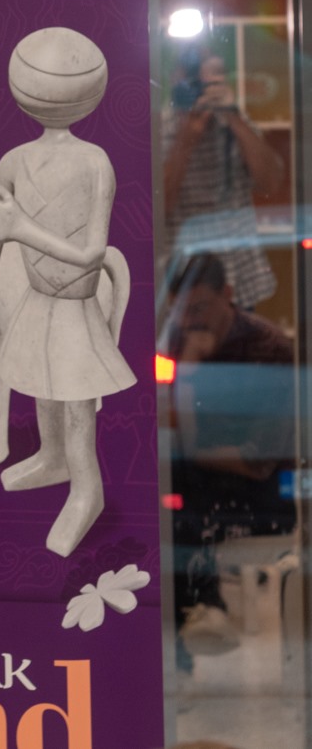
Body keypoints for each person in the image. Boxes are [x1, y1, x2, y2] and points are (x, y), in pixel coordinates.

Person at [162, 254, 298, 664]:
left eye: (200, 308)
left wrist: (191, 449)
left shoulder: (268, 349)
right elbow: (168, 429)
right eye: (181, 311)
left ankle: (201, 614)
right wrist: (188, 370)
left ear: (228, 294)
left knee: (176, 492)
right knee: (162, 495)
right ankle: (196, 620)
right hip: (197, 481)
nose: (190, 320)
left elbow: (256, 462)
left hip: (262, 492)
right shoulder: (176, 343)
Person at [162, 47, 284, 309]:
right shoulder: (160, 128)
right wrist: (186, 138)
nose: (200, 89)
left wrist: (233, 116)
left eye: (211, 78)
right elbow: (157, 210)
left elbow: (271, 183)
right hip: (183, 282)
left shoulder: (233, 122)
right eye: (192, 80)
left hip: (237, 277)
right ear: (174, 80)